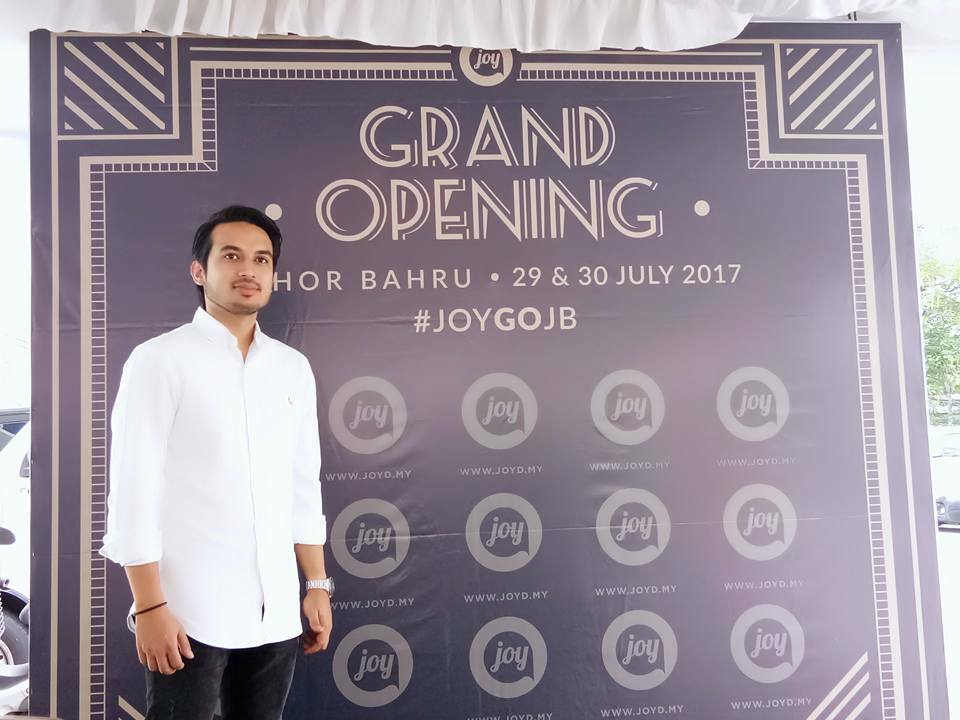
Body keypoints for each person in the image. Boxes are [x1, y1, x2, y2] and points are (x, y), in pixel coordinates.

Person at [100, 205, 334, 720]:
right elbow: (134, 490)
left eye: (261, 259)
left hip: (275, 611)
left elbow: (303, 483)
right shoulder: (159, 360)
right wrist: (150, 606)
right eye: (231, 256)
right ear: (199, 271)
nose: (248, 269)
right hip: (188, 612)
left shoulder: (292, 369)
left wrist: (316, 584)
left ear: (274, 275)